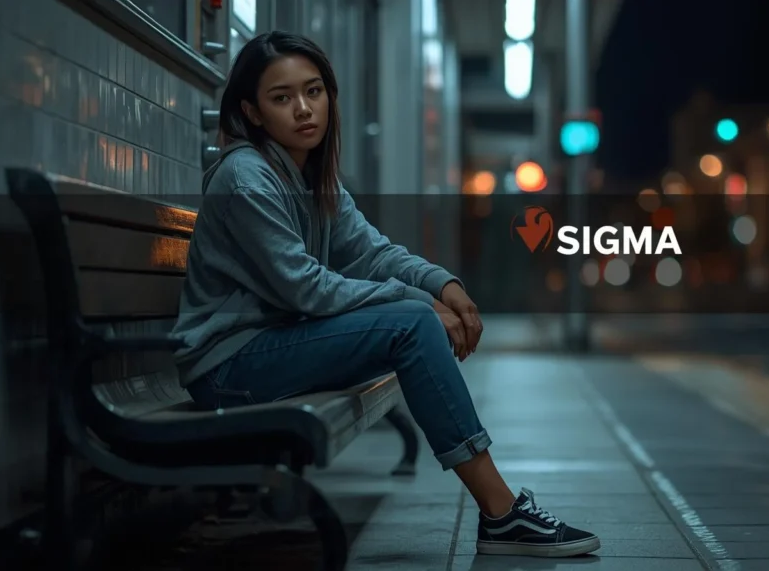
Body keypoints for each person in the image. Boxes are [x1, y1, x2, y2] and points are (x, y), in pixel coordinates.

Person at [170, 31, 599, 558]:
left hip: (266, 349)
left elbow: (373, 253)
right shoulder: (247, 178)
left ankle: (501, 514)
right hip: (228, 368)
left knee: (412, 320)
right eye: (282, 98)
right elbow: (306, 287)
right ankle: (501, 513)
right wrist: (422, 306)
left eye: (314, 91)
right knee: (412, 326)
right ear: (252, 112)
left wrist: (443, 283)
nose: (304, 109)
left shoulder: (312, 178)